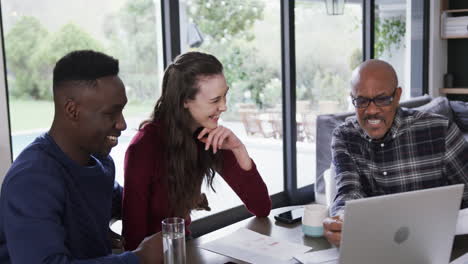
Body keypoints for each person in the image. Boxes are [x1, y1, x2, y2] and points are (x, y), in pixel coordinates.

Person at [0, 50, 163, 263]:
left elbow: (123, 201)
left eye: (122, 111)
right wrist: (139, 259)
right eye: (110, 113)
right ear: (72, 110)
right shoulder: (31, 179)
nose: (122, 124)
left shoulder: (99, 162)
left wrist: (174, 192)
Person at [122, 51, 272, 250]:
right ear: (185, 100)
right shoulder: (143, 147)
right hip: (152, 257)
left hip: (186, 248)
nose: (224, 107)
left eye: (225, 96)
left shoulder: (211, 136)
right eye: (215, 100)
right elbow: (133, 241)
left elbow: (261, 208)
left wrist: (239, 149)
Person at [322, 59, 468, 246]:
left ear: (397, 96)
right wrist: (342, 219)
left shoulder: (440, 129)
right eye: (362, 101)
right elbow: (348, 192)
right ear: (352, 98)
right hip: (372, 248)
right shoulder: (344, 136)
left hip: (436, 247)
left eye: (382, 99)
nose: (372, 111)